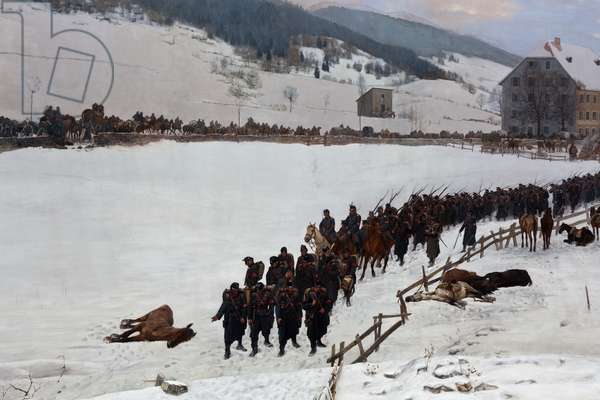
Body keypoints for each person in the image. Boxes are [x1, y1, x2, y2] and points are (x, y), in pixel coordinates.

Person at [211, 283, 248, 360]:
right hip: (229, 318)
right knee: (228, 336)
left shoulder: (241, 295)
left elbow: (244, 307)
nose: (235, 292)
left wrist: (243, 317)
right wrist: (217, 316)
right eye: (234, 290)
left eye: (236, 290)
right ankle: (227, 351)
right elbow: (223, 307)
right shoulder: (227, 296)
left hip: (239, 318)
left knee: (240, 332)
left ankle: (239, 345)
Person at [303, 282, 333, 355]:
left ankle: (319, 341)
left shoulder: (324, 293)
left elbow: (329, 302)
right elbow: (304, 306)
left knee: (321, 329)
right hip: (312, 316)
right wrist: (311, 304)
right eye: (315, 287)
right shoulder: (308, 294)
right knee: (311, 333)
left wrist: (324, 309)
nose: (317, 288)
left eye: (318, 287)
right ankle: (313, 348)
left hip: (321, 316)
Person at [247, 283, 275, 357]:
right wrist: (249, 317)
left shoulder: (268, 294)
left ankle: (266, 341)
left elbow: (272, 305)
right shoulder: (253, 295)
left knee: (266, 330)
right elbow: (250, 307)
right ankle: (254, 348)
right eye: (258, 289)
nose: (259, 291)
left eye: (260, 289)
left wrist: (269, 313)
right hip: (256, 316)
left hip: (265, 315)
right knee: (253, 334)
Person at [275, 282, 302, 356]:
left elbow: (299, 306)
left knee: (294, 330)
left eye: (291, 287)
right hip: (284, 317)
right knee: (282, 334)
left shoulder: (295, 295)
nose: (290, 288)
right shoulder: (281, 295)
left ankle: (294, 342)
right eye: (288, 287)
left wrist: (300, 316)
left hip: (293, 316)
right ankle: (281, 349)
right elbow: (278, 306)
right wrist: (278, 317)